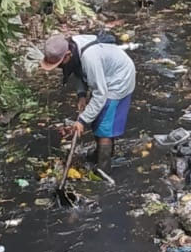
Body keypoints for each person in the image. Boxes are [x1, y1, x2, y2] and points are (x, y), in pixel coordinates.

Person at [41, 33, 136, 173]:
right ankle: (100, 153)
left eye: (59, 64)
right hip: (105, 77)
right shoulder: (74, 49)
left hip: (118, 79)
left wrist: (82, 120)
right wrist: (81, 95)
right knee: (97, 119)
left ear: (67, 55)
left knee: (104, 127)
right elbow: (79, 71)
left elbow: (101, 95)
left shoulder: (90, 58)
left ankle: (104, 168)